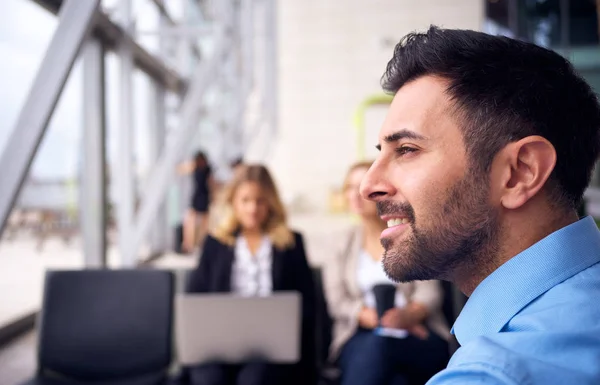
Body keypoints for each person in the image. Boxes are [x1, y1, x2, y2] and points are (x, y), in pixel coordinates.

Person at [359, 26, 600, 384]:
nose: (369, 186)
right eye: (381, 153)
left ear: (520, 172)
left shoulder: (491, 375)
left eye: (407, 150)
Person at [186, 164, 316, 385]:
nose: (252, 209)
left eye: (260, 201)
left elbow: (308, 304)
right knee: (210, 379)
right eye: (245, 200)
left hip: (271, 352)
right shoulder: (215, 244)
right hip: (218, 346)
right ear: (233, 202)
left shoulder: (291, 243)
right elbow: (194, 299)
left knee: (255, 379)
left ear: (271, 203)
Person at [324, 161, 450, 385]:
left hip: (414, 330)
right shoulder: (339, 243)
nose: (356, 193)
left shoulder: (412, 236)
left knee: (382, 348)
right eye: (349, 187)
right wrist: (367, 316)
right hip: (359, 333)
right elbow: (337, 302)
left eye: (362, 186)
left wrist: (406, 317)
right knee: (389, 368)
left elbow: (429, 294)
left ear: (383, 193)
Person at [179, 151, 214, 253]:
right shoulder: (202, 168)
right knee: (196, 223)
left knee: (200, 223)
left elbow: (211, 183)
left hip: (200, 196)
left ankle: (193, 245)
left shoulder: (200, 168)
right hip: (201, 196)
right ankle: (192, 244)